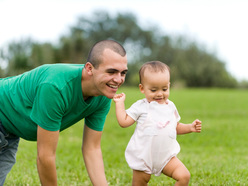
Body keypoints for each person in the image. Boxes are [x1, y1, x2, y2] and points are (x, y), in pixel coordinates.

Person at [0, 39, 128, 186]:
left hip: (9, 133)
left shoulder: (103, 94)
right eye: (111, 71)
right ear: (89, 68)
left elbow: (92, 149)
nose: (118, 79)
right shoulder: (55, 86)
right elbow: (45, 156)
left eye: (123, 73)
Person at [113, 61, 202, 186]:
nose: (160, 93)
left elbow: (175, 127)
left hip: (166, 157)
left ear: (169, 86)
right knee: (140, 183)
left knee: (184, 176)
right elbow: (124, 121)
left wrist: (190, 127)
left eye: (164, 89)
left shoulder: (171, 106)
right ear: (142, 88)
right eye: (154, 90)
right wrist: (119, 103)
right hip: (144, 157)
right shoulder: (141, 106)